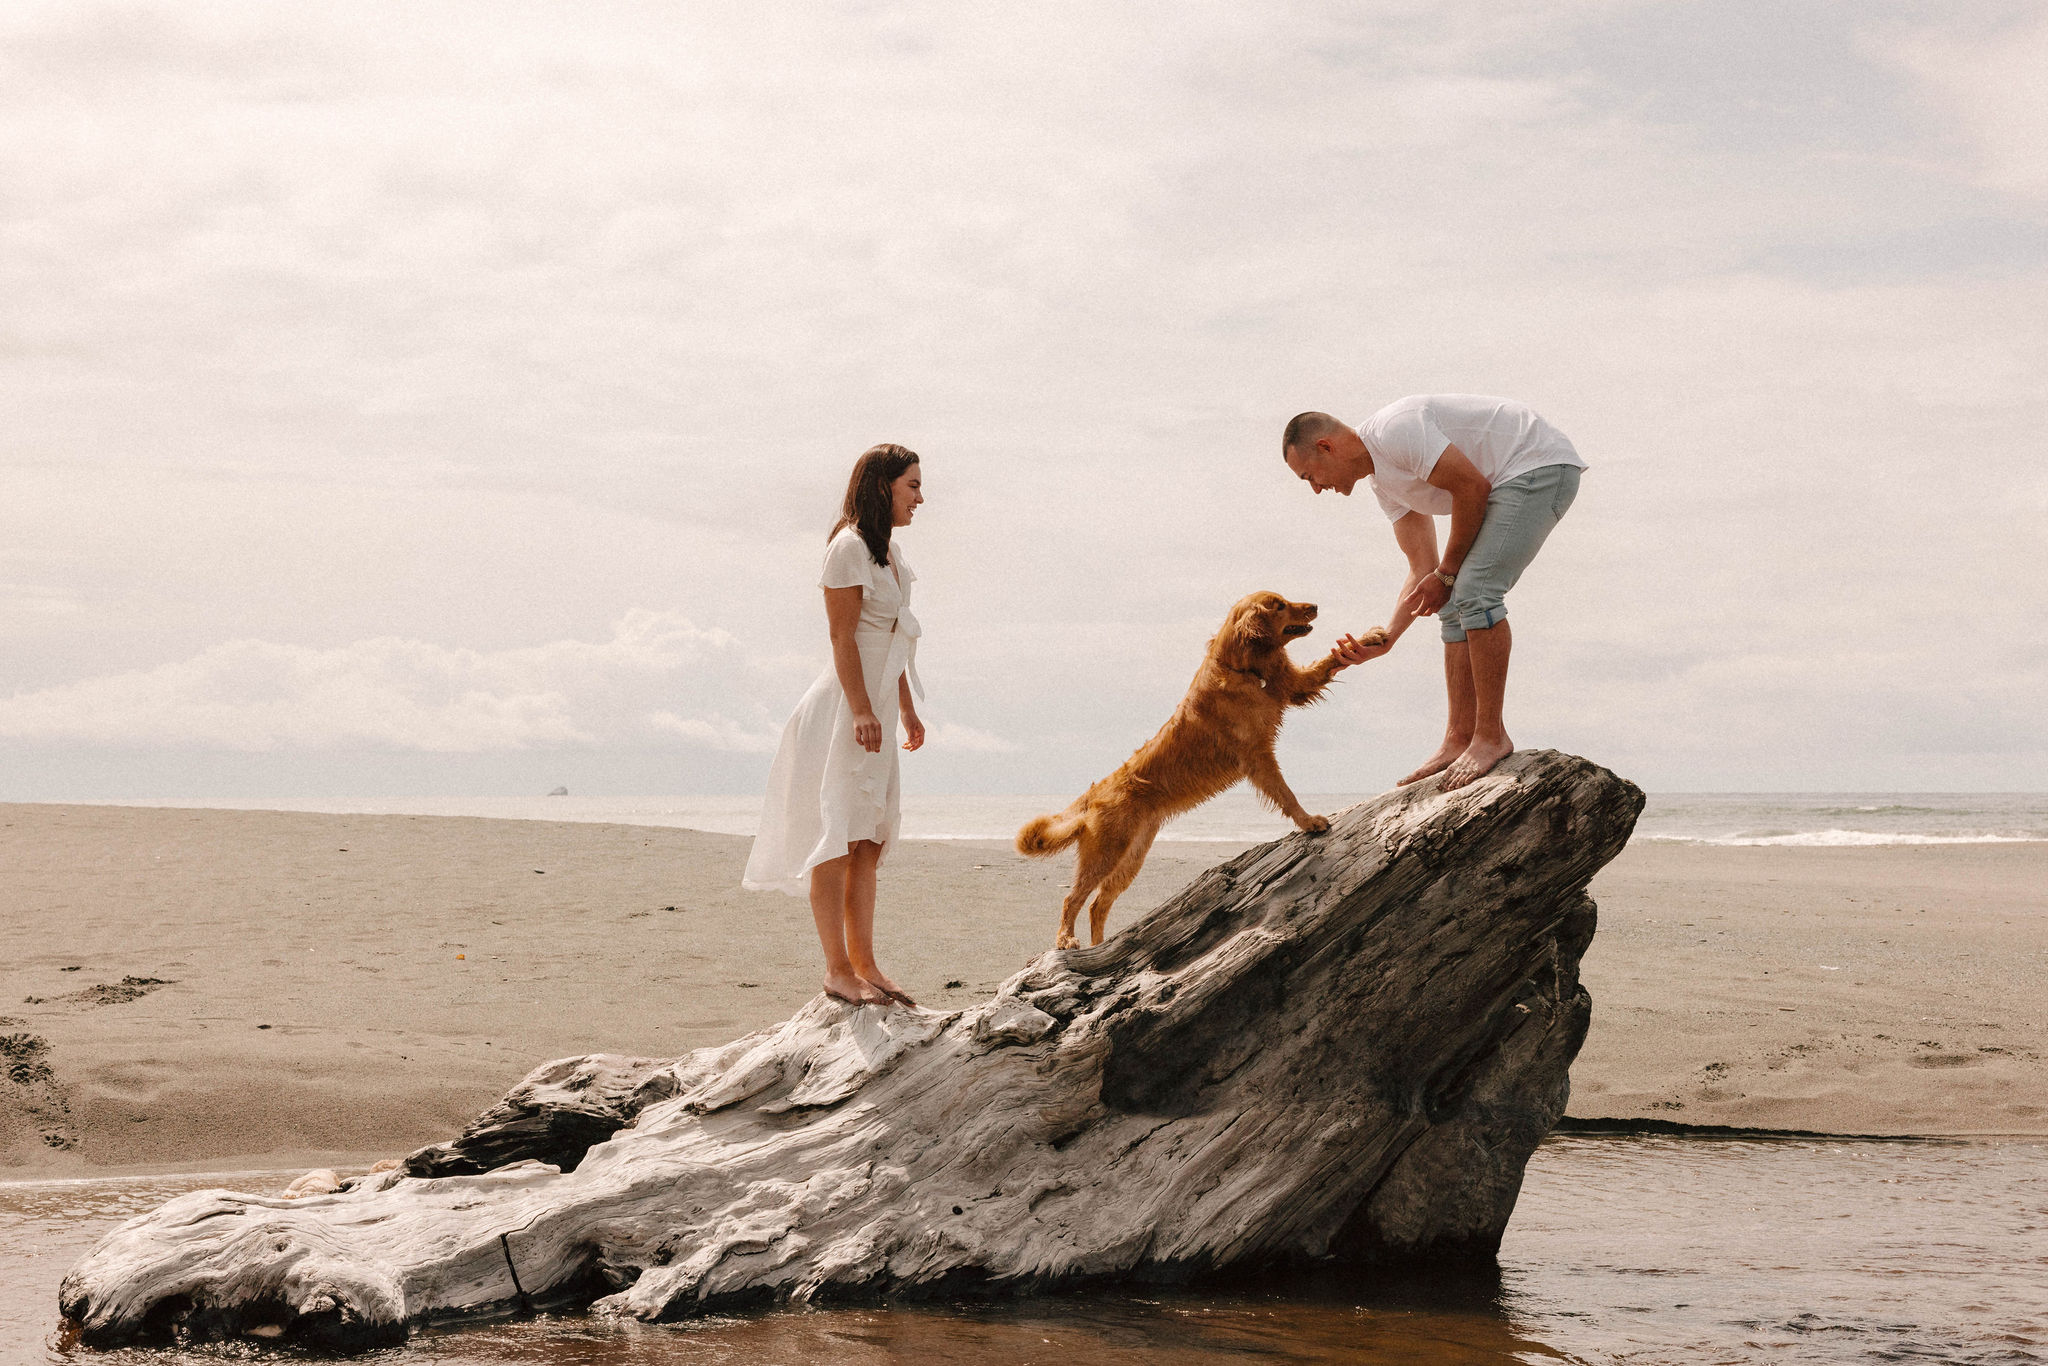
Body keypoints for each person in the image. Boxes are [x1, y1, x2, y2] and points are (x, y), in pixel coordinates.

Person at [1281, 395, 1585, 791]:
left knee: (1474, 589)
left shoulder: (1395, 431)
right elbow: (1422, 568)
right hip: (1503, 481)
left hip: (1537, 464)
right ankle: (1460, 739)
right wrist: (1386, 639)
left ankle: (1490, 736)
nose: (1316, 489)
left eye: (1309, 477)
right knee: (1454, 595)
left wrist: (1447, 575)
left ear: (1326, 447)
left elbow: (1471, 488)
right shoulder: (1384, 485)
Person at [743, 443, 926, 1006]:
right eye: (912, 485)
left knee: (868, 840)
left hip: (877, 710)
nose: (921, 497)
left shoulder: (889, 555)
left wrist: (907, 709)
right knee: (837, 841)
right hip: (845, 711)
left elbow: (892, 643)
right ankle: (836, 968)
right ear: (882, 487)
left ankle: (866, 962)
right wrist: (863, 710)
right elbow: (842, 638)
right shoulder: (847, 548)